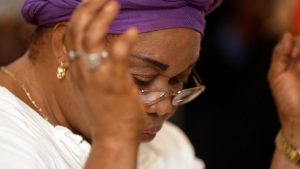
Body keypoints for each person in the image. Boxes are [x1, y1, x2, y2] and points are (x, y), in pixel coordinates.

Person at [0, 1, 299, 169]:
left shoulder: (167, 145)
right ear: (66, 44)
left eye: (179, 80)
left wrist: (293, 135)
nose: (165, 105)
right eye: (141, 78)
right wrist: (115, 141)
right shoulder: (8, 140)